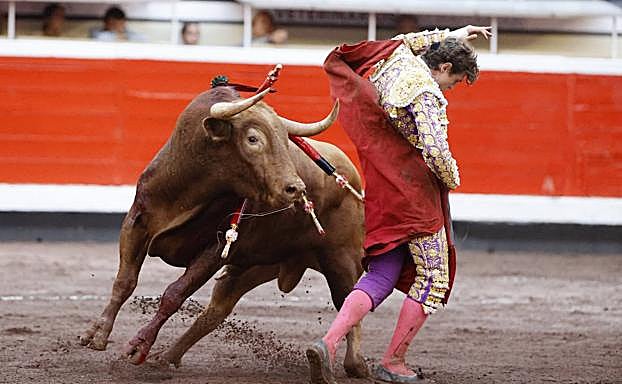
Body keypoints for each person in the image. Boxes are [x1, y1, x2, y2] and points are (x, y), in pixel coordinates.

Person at [307, 25, 492, 384]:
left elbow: (404, 41)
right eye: (454, 80)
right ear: (444, 68)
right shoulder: (425, 93)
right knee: (434, 279)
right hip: (416, 197)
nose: (450, 88)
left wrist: (455, 34)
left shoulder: (395, 62)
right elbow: (436, 151)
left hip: (385, 189)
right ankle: (393, 361)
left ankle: (327, 344)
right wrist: (452, 179)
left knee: (381, 273)